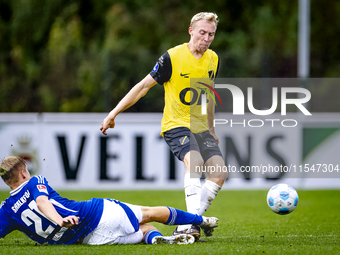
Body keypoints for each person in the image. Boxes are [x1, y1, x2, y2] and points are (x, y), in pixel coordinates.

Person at [100, 12, 228, 241]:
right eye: (202, 33)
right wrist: (114, 112)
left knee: (219, 173)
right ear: (191, 31)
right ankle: (190, 224)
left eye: (211, 34)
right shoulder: (172, 57)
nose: (207, 38)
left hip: (200, 127)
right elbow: (142, 86)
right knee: (195, 161)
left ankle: (189, 222)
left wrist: (211, 128)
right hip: (176, 124)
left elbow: (208, 94)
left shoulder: (213, 59)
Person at [0, 156, 218, 245]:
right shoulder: (33, 181)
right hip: (97, 213)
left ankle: (157, 240)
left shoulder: (6, 210)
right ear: (22, 172)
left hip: (89, 240)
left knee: (145, 229)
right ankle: (202, 220)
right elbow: (41, 203)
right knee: (151, 212)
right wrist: (60, 219)